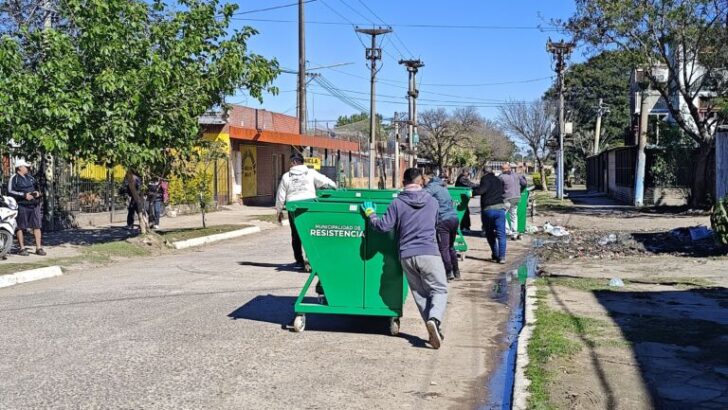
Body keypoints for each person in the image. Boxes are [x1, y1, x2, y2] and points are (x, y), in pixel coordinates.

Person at [363, 168, 447, 349]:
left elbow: (383, 226)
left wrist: (371, 214)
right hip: (429, 252)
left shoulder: (397, 203)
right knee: (439, 289)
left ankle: (433, 330)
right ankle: (435, 320)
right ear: (421, 182)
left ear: (403, 182)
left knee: (420, 295)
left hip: (407, 255)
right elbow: (435, 224)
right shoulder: (432, 202)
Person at [275, 153, 337, 269]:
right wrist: (335, 187)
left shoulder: (286, 176)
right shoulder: (311, 173)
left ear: (293, 162)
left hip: (294, 208)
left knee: (295, 235)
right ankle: (310, 259)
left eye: (290, 162)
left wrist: (279, 211)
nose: (290, 165)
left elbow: (280, 196)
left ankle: (299, 261)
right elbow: (326, 181)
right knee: (310, 233)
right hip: (309, 207)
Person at [424, 172, 461, 281]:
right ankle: (456, 271)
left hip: (443, 220)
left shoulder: (432, 187)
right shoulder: (442, 186)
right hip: (454, 219)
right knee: (451, 246)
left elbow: (421, 196)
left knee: (443, 248)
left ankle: (448, 272)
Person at [7, 160, 45, 256]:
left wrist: (37, 193)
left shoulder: (30, 177)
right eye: (26, 166)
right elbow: (10, 191)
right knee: (20, 227)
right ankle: (22, 248)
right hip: (22, 205)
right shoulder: (14, 178)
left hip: (34, 205)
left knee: (37, 226)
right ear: (20, 167)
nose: (28, 168)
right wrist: (24, 195)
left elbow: (38, 188)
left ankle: (39, 248)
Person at [474, 166, 507, 264]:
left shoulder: (485, 179)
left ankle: (495, 254)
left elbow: (481, 191)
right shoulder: (498, 179)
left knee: (490, 234)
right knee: (501, 234)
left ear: (484, 172)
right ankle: (502, 257)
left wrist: (472, 192)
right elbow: (502, 192)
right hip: (500, 209)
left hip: (488, 210)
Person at [499, 163, 527, 240]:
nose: (502, 170)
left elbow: (498, 187)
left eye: (503, 168)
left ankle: (508, 231)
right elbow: (524, 183)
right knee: (513, 215)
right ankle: (514, 232)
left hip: (507, 198)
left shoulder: (501, 177)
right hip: (517, 197)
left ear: (508, 168)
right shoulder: (517, 175)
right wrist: (519, 190)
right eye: (502, 168)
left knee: (502, 214)